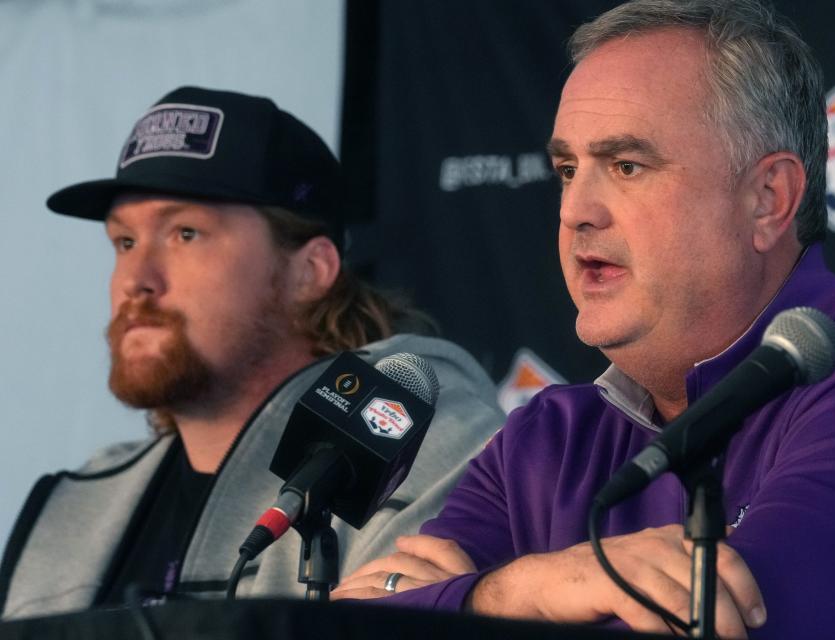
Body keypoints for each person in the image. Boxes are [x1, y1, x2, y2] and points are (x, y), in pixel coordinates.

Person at [330, 1, 835, 638]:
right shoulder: (546, 437)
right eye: (568, 170)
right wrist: (525, 590)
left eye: (627, 166)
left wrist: (479, 599)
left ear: (768, 200)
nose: (576, 209)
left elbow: (719, 625)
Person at [0, 86, 504, 619]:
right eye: (124, 243)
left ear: (309, 271)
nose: (136, 281)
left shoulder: (417, 435)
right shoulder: (77, 502)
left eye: (185, 234)